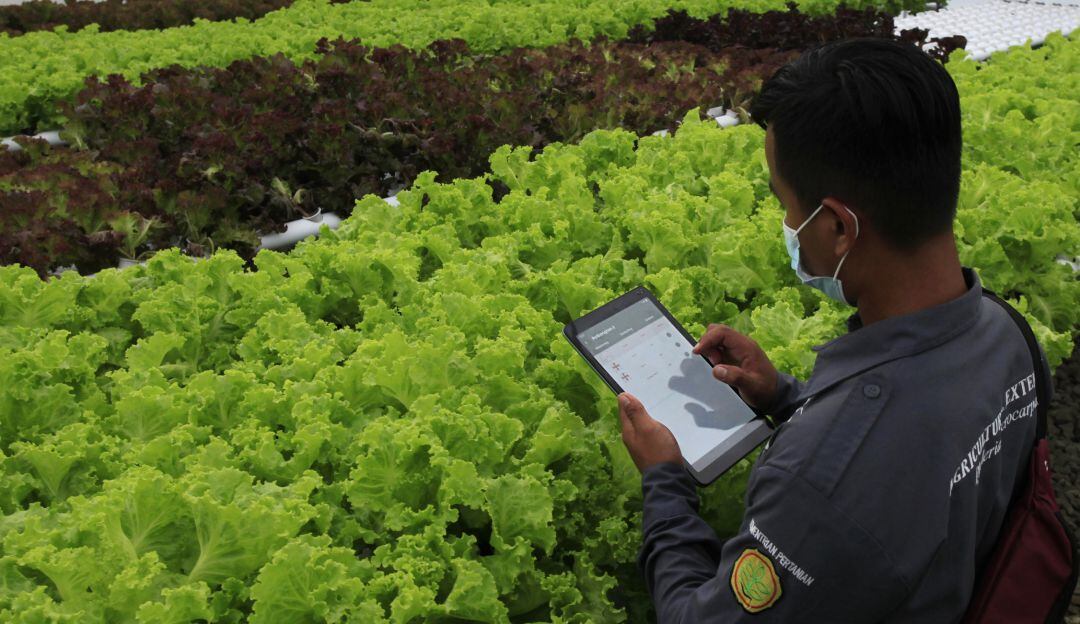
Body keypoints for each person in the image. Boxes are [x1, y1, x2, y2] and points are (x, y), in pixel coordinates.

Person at [618, 37, 1055, 622]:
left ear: (840, 230)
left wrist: (666, 483)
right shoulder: (1008, 334)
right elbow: (918, 463)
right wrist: (787, 399)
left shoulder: (816, 492)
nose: (787, 225)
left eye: (786, 205)